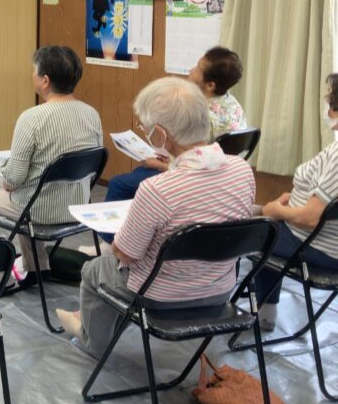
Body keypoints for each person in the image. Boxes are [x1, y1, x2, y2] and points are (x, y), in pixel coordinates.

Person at [55, 77, 256, 355]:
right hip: (220, 291)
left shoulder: (157, 190)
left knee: (95, 269)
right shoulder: (242, 171)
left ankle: (92, 341)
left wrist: (126, 233)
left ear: (161, 136)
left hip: (160, 297)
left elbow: (124, 254)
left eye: (148, 130)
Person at [0, 46, 103, 285]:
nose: (32, 75)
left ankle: (1, 278)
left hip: (39, 211)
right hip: (78, 206)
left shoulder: (31, 118)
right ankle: (37, 268)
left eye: (34, 71)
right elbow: (92, 165)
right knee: (30, 193)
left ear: (45, 80)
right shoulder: (91, 114)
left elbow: (14, 180)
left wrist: (6, 175)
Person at [103, 46, 247, 205]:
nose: (191, 70)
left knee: (119, 183)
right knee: (140, 172)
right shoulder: (233, 104)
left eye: (198, 69)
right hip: (220, 176)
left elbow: (192, 170)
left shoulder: (201, 117)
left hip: (197, 179)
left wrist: (157, 164)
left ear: (210, 85)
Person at [252, 73, 338, 332]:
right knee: (259, 217)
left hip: (318, 246)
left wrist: (278, 211)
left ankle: (229, 309)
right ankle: (266, 310)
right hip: (320, 239)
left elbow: (311, 218)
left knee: (247, 230)